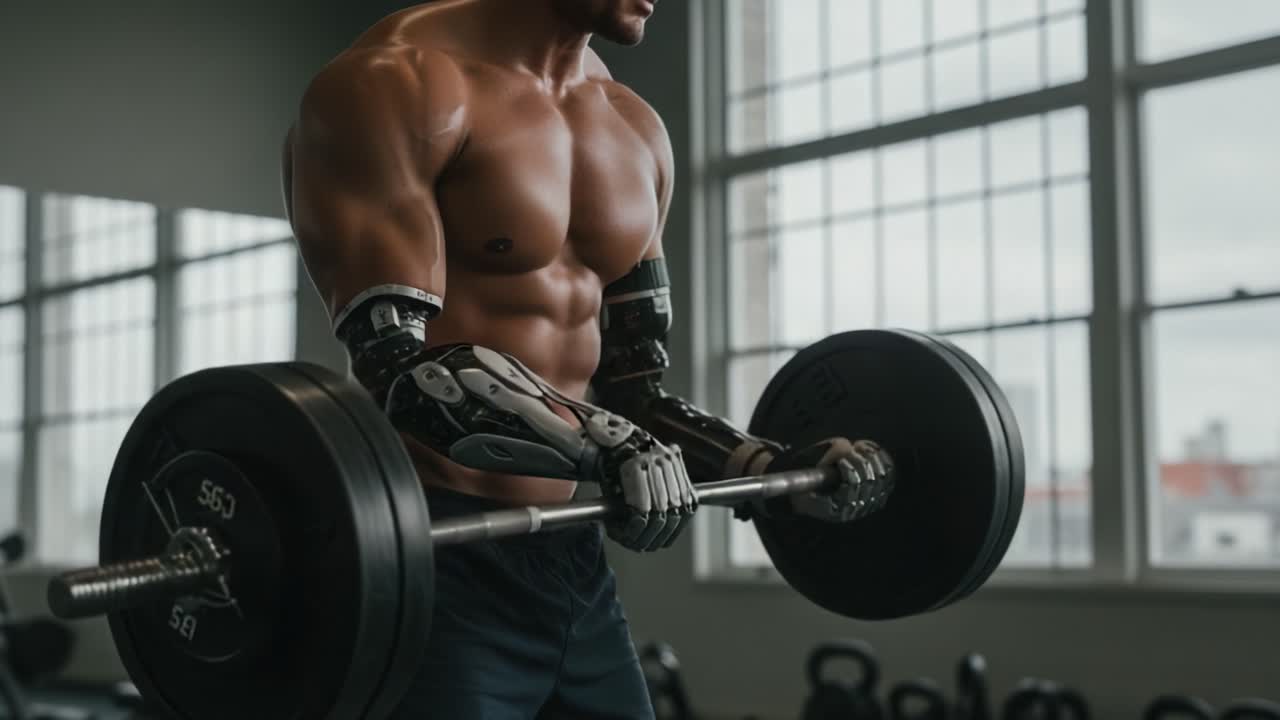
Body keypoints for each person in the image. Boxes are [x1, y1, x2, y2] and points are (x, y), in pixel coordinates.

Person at [283, 1, 893, 716]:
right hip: (436, 546)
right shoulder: (394, 86)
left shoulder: (635, 128)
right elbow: (400, 371)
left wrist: (766, 465)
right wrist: (608, 444)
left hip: (570, 554)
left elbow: (634, 391)